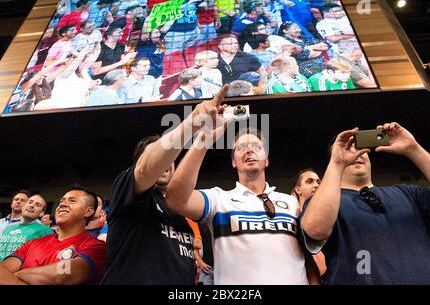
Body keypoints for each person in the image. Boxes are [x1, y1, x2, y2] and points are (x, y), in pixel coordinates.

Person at [100, 87, 230, 284]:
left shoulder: (178, 210)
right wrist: (193, 121)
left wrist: (204, 140)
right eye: (159, 154)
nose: (166, 162)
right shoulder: (128, 192)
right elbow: (146, 168)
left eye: (171, 156)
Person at [165, 127, 322, 284]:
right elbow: (176, 199)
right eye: (241, 148)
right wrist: (202, 142)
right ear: (234, 161)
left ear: (266, 160)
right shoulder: (218, 200)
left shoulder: (291, 202)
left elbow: (307, 259)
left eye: (256, 146)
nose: (249, 150)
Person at [301, 122, 430, 284]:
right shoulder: (326, 203)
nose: (356, 153)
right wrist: (337, 163)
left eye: (359, 147)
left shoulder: (409, 193)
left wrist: (414, 149)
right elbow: (315, 229)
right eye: (348, 148)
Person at [0, 185, 106, 285]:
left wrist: (19, 273)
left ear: (88, 211)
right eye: (61, 201)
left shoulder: (96, 247)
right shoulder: (32, 243)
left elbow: (63, 274)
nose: (62, 204)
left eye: (72, 201)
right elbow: (3, 270)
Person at [290, 168, 326, 277]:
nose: (316, 185)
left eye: (318, 182)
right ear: (298, 190)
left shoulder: (330, 217)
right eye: (310, 181)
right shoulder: (290, 218)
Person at [0, 195, 53, 261]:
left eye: (37, 205)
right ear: (23, 207)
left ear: (41, 213)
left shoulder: (46, 231)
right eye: (30, 202)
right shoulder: (8, 228)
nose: (32, 205)